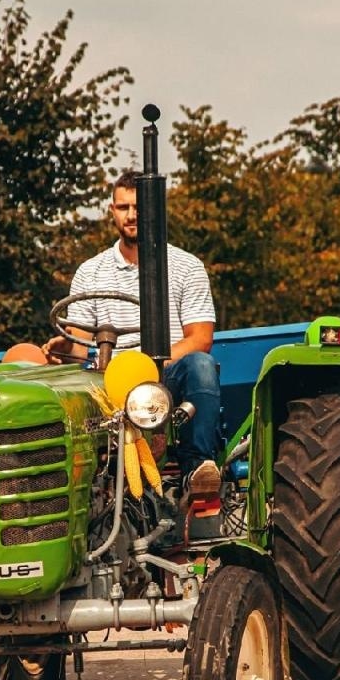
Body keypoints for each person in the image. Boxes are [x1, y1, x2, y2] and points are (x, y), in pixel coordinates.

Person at [60, 171, 222, 495]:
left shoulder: (185, 266)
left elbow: (200, 338)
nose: (131, 215)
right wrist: (61, 347)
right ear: (112, 211)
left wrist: (144, 367)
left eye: (138, 207)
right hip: (107, 381)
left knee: (201, 365)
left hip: (166, 374)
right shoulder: (91, 271)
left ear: (155, 210)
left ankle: (198, 469)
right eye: (123, 207)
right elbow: (77, 345)